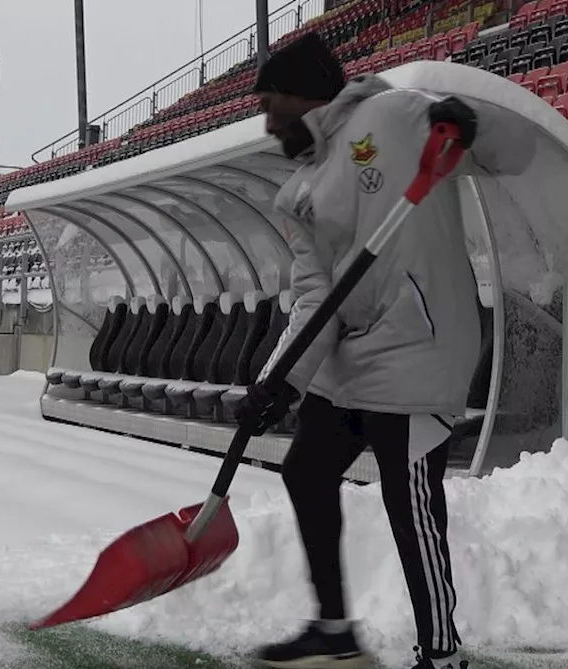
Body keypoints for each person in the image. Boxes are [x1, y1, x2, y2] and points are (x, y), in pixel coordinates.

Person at [235, 32, 481, 669]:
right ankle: (336, 628)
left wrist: (466, 123)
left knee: (411, 503)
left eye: (271, 104)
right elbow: (315, 296)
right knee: (306, 470)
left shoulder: (391, 115)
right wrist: (280, 383)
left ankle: (442, 653)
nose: (267, 122)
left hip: (420, 344)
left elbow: (501, 142)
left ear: (302, 95)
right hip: (354, 354)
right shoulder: (300, 192)